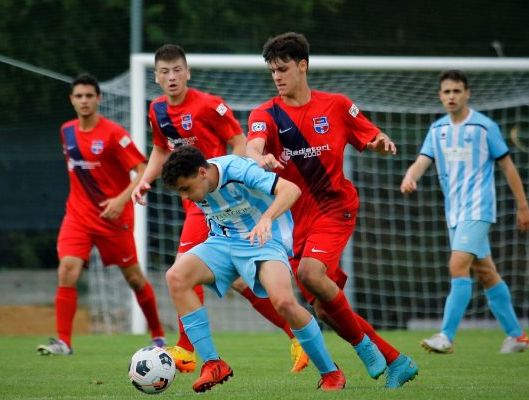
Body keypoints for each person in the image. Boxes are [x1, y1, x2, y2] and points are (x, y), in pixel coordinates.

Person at [246, 32, 418, 388]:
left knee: (310, 274)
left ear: (303, 66)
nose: (277, 77)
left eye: (283, 69)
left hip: (335, 207)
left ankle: (363, 347)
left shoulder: (336, 105)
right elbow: (254, 142)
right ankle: (396, 361)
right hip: (296, 221)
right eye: (272, 71)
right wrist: (258, 156)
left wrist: (381, 143)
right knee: (325, 308)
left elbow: (370, 136)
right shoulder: (266, 113)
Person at [131, 44, 308, 373]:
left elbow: (239, 142)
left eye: (177, 70)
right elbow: (159, 149)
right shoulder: (156, 110)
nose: (172, 77)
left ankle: (186, 350)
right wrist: (146, 180)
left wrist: (239, 179)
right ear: (155, 78)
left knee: (181, 270)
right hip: (195, 201)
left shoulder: (210, 105)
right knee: (240, 283)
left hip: (216, 201)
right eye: (165, 72)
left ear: (188, 73)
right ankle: (297, 334)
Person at [158, 145, 345, 393]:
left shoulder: (238, 169)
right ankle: (213, 363)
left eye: (186, 189)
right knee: (176, 276)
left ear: (202, 173)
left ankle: (330, 373)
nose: (185, 197)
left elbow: (291, 189)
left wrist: (267, 218)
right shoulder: (199, 186)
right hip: (223, 242)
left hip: (264, 241)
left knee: (285, 303)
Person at [401, 69, 529, 354]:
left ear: (467, 94)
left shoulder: (484, 128)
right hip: (455, 213)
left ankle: (445, 336)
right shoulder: (437, 130)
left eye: (456, 91)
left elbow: (508, 167)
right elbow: (422, 161)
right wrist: (410, 176)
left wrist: (523, 205)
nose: (451, 96)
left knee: (457, 266)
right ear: (440, 96)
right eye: (446, 92)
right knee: (486, 272)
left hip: (479, 208)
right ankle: (517, 336)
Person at [37, 73, 165, 355]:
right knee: (67, 270)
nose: (84, 101)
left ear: (99, 99)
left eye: (89, 96)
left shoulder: (114, 134)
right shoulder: (66, 131)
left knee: (134, 278)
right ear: (72, 100)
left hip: (113, 219)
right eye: (79, 96)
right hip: (78, 217)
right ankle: (64, 343)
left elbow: (143, 169)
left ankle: (158, 335)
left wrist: (121, 200)